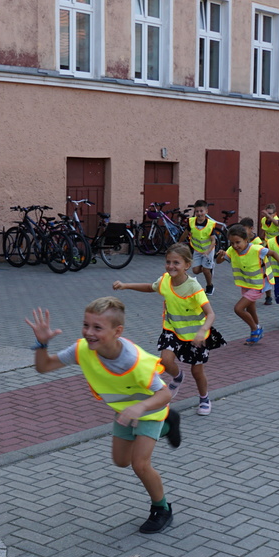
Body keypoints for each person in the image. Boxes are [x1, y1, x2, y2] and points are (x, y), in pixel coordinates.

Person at [27, 298, 179, 534]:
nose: (89, 333)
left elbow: (165, 393)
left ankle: (162, 509)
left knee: (140, 465)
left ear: (118, 331)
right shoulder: (82, 350)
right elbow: (44, 367)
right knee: (121, 462)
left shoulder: (133, 360)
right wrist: (41, 344)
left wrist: (141, 408)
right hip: (124, 413)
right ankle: (169, 425)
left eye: (97, 328)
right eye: (86, 325)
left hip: (151, 410)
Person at [112, 244, 215, 415]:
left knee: (197, 371)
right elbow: (150, 287)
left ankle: (204, 397)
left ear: (187, 265)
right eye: (168, 262)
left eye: (176, 263)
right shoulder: (165, 280)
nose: (171, 266)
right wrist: (125, 285)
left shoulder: (194, 287)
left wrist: (202, 330)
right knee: (165, 361)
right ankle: (177, 377)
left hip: (195, 334)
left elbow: (210, 314)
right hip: (172, 330)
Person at [215, 224, 279, 344]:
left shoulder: (255, 249)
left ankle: (255, 329)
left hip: (257, 285)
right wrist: (221, 255)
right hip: (246, 284)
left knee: (238, 309)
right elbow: (219, 262)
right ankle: (257, 329)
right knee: (250, 308)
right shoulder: (232, 250)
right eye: (232, 243)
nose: (235, 246)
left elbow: (273, 253)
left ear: (246, 240)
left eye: (238, 242)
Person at [186, 199, 219, 295]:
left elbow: (213, 241)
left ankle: (209, 286)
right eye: (197, 211)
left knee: (205, 270)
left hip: (208, 250)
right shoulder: (191, 222)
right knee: (195, 271)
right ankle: (209, 267)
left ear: (206, 211)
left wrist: (208, 252)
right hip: (197, 249)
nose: (199, 213)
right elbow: (185, 233)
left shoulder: (210, 225)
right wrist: (178, 243)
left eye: (201, 211)